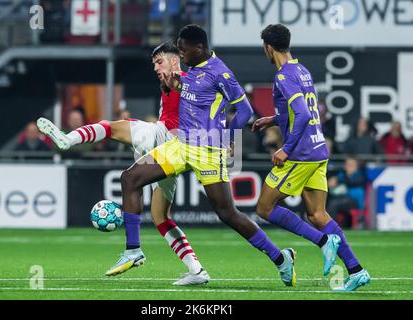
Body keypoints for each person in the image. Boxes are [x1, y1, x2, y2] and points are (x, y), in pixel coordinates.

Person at [112, 24, 303, 288]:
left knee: (227, 213)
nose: (180, 54)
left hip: (208, 149)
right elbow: (196, 99)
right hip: (181, 145)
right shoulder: (192, 69)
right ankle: (133, 251)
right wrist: (177, 85)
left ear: (199, 48)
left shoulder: (220, 72)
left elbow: (246, 111)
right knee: (130, 178)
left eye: (183, 49)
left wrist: (229, 137)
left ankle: (281, 258)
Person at [37, 41, 208, 285]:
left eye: (159, 62)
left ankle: (68, 140)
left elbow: (189, 108)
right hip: (172, 153)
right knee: (161, 216)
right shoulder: (175, 83)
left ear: (174, 60)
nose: (156, 68)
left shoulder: (181, 79)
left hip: (163, 139)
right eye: (154, 64)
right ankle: (196, 270)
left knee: (111, 127)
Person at [252, 24, 370, 292]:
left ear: (268, 48)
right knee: (318, 214)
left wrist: (286, 149)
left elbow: (303, 115)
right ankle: (357, 270)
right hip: (318, 150)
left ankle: (322, 242)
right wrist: (273, 119)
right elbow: (303, 110)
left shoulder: (283, 76)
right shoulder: (301, 70)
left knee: (264, 208)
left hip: (301, 154)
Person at [327, 156, 366, 227]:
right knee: (328, 199)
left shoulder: (360, 175)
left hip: (355, 201)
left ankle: (328, 225)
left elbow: (353, 182)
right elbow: (333, 182)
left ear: (356, 166)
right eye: (347, 164)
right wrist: (332, 181)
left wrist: (338, 181)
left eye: (351, 165)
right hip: (341, 198)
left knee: (334, 203)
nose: (349, 167)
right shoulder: (342, 174)